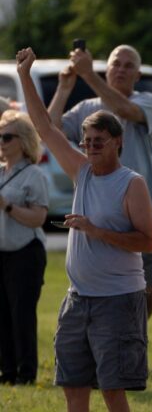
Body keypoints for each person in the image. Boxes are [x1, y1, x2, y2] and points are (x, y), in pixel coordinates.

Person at [17, 47, 152, 412]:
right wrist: (24, 76)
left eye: (99, 142)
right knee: (72, 386)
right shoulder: (81, 171)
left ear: (118, 143)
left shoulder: (132, 183)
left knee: (112, 391)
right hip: (77, 299)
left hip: (118, 301)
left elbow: (147, 241)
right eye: (87, 142)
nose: (91, 148)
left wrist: (97, 231)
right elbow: (45, 128)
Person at [47, 44, 152, 318]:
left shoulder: (146, 100)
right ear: (107, 69)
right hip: (98, 199)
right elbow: (50, 133)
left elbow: (124, 109)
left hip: (140, 201)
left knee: (148, 286)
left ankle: (137, 336)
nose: (121, 69)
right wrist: (64, 89)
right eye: (115, 63)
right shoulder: (88, 107)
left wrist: (88, 75)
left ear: (137, 75)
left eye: (128, 65)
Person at [0, 111, 48, 385]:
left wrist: (7, 206)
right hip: (2, 253)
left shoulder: (34, 175)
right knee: (2, 315)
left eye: (7, 136)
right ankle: (7, 371)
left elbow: (39, 218)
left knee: (22, 315)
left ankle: (26, 373)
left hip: (25, 253)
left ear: (24, 140)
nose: (1, 142)